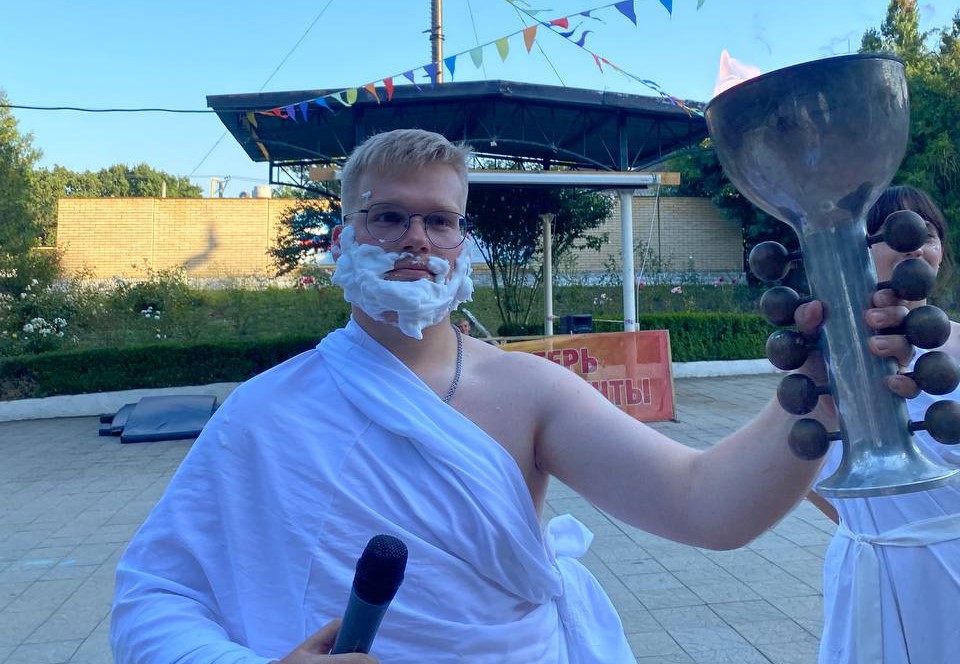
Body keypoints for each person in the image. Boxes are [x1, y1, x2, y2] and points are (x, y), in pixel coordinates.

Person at [110, 129, 917, 664]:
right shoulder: (264, 412)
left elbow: (704, 504)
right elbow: (156, 592)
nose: (416, 240)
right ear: (341, 239)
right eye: (387, 217)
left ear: (463, 243)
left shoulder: (530, 391)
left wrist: (825, 386)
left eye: (439, 221)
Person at [809, 185, 960, 664]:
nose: (914, 244)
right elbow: (809, 469)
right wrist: (871, 527)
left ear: (941, 251)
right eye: (894, 232)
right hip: (866, 567)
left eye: (926, 233)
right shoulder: (829, 363)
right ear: (859, 248)